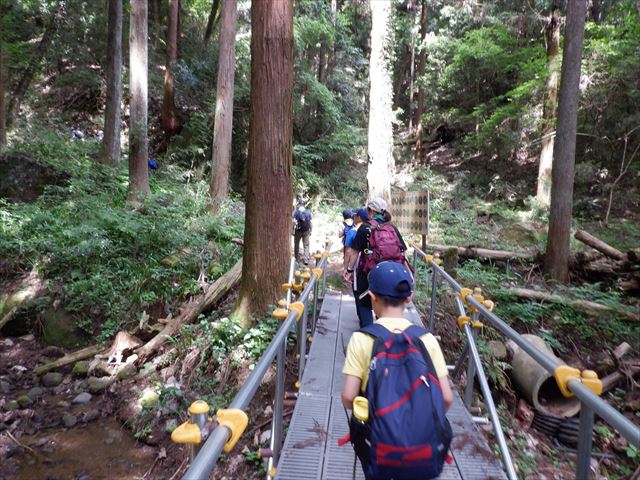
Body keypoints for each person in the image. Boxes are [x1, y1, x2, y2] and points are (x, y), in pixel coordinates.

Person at [341, 261, 453, 479]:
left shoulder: (362, 339)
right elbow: (446, 398)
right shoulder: (426, 339)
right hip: (423, 450)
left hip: (379, 446)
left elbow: (348, 397)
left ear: (372, 297)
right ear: (408, 298)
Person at [343, 197, 407, 328]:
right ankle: (384, 334)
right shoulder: (392, 228)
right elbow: (403, 252)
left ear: (370, 211)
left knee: (364, 304)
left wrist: (349, 270)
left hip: (368, 273)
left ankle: (368, 336)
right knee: (384, 306)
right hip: (391, 275)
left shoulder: (365, 228)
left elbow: (354, 252)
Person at [292, 199, 312, 264]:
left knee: (296, 244)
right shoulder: (308, 212)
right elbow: (311, 222)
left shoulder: (296, 212)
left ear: (299, 205)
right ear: (304, 205)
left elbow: (294, 222)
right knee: (306, 245)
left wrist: (293, 230)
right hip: (306, 230)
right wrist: (311, 230)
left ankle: (296, 258)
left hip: (298, 231)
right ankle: (306, 259)